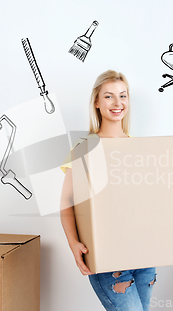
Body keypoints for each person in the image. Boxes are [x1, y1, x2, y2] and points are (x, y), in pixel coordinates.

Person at [60, 70, 156, 311]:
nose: (117, 103)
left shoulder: (140, 148)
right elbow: (67, 202)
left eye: (122, 96)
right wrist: (73, 243)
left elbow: (149, 202)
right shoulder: (85, 149)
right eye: (109, 96)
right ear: (96, 102)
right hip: (108, 258)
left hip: (145, 256)